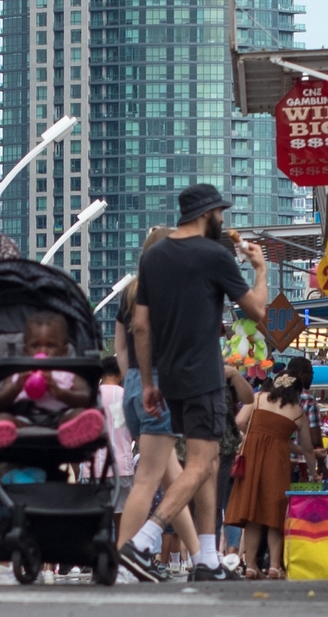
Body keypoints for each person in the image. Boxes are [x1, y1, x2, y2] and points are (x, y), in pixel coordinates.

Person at [123, 185, 275, 582]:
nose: (223, 222)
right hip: (204, 375)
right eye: (220, 214)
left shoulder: (153, 258)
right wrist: (260, 269)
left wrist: (150, 379)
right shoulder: (215, 256)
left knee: (200, 467)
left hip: (167, 377)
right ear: (208, 214)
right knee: (205, 462)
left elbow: (140, 326)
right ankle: (142, 540)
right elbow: (257, 309)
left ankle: (207, 558)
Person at [227, 359, 304, 577]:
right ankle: (274, 566)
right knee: (275, 514)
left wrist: (253, 437)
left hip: (252, 458)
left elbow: (240, 422)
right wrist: (314, 466)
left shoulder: (257, 398)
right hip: (278, 463)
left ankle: (251, 566)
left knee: (252, 514)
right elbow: (306, 447)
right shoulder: (297, 411)